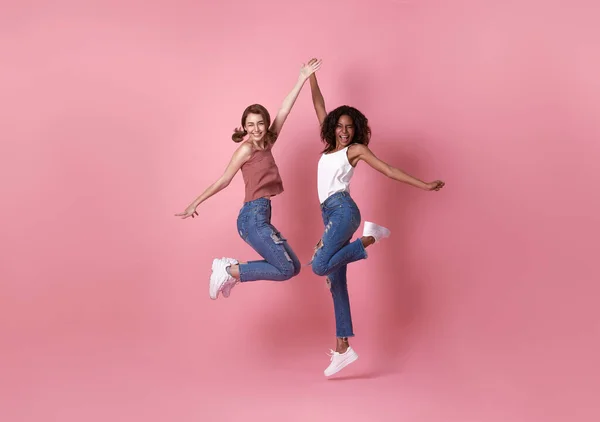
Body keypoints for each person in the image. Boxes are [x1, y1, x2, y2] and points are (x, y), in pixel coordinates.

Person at [307, 59, 445, 376]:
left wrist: (423, 185)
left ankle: (371, 236)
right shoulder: (328, 150)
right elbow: (319, 105)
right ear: (332, 129)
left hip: (343, 210)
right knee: (335, 280)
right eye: (339, 127)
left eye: (349, 127)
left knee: (318, 265)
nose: (343, 131)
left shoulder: (355, 151)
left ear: (356, 130)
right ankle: (342, 347)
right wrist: (310, 77)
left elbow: (388, 169)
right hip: (330, 214)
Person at [176, 60, 322, 300]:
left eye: (260, 123)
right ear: (244, 127)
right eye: (250, 125)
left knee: (293, 267)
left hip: (262, 215)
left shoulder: (267, 143)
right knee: (285, 269)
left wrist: (302, 78)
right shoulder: (246, 150)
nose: (256, 129)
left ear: (265, 124)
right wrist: (195, 202)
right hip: (252, 218)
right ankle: (228, 270)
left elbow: (284, 110)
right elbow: (224, 180)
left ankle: (232, 270)